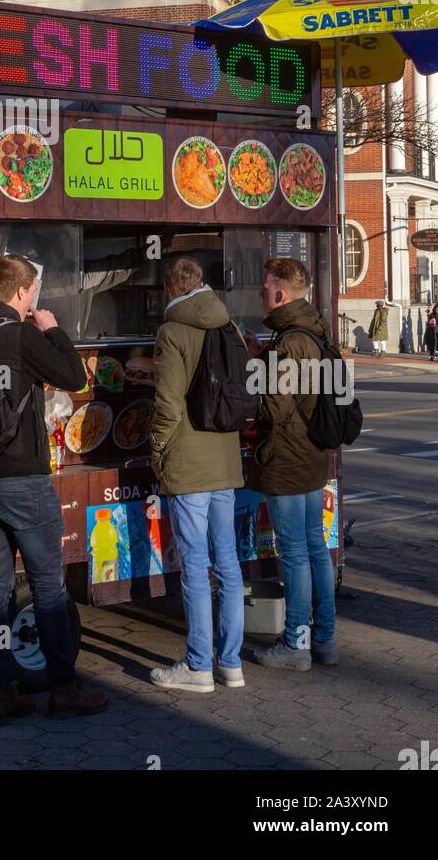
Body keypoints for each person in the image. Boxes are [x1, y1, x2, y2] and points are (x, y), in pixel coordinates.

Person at [0, 253, 109, 724]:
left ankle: (2, 690)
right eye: (34, 296)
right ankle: (64, 688)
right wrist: (53, 329)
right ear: (24, 293)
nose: (35, 302)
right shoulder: (23, 333)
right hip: (22, 477)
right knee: (49, 583)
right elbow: (73, 376)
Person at [147, 256, 246, 694]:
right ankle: (231, 663)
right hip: (225, 457)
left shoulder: (171, 332)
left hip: (188, 463)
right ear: (202, 283)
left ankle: (198, 666)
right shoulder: (229, 325)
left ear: (170, 290)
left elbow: (167, 403)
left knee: (194, 566)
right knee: (227, 562)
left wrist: (156, 450)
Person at [248, 257, 338, 670]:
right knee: (316, 548)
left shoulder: (288, 343)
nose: (262, 294)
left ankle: (295, 643)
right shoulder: (317, 330)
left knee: (296, 553)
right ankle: (324, 639)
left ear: (281, 293)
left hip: (286, 458)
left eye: (266, 288)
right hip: (314, 456)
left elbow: (274, 409)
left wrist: (257, 371)